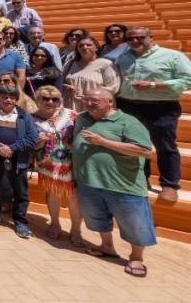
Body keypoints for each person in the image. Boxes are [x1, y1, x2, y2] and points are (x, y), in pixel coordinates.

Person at [73, 89, 156, 277]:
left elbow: (144, 151)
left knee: (134, 223)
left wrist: (102, 142)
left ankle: (137, 258)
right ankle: (107, 246)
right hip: (89, 181)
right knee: (96, 217)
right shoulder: (83, 118)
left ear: (110, 102)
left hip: (122, 184)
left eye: (94, 100)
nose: (89, 103)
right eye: (86, 99)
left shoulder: (128, 122)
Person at [114, 26, 191, 203]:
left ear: (151, 38)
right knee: (136, 145)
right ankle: (141, 180)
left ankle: (169, 185)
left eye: (140, 37)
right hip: (129, 106)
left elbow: (188, 80)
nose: (135, 41)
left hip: (161, 107)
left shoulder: (172, 56)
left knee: (165, 146)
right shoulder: (123, 57)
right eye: (131, 39)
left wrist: (154, 85)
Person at [0, 85, 38, 238]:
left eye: (12, 97)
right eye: (4, 96)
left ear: (16, 99)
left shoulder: (24, 116)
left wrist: (12, 148)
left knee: (20, 192)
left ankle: (20, 221)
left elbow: (32, 137)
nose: (8, 100)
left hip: (18, 159)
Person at [32, 85, 83, 247]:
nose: (50, 102)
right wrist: (37, 140)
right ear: (38, 100)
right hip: (47, 163)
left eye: (54, 99)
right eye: (45, 99)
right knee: (52, 193)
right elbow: (27, 142)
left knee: (74, 197)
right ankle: (55, 224)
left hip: (71, 162)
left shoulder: (69, 114)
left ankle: (76, 230)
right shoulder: (31, 118)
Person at [61, 36, 120, 111]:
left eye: (89, 45)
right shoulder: (70, 63)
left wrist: (91, 94)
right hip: (72, 105)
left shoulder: (105, 64)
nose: (84, 47)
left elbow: (114, 87)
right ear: (78, 49)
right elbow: (61, 81)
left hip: (96, 106)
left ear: (96, 48)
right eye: (81, 46)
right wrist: (65, 86)